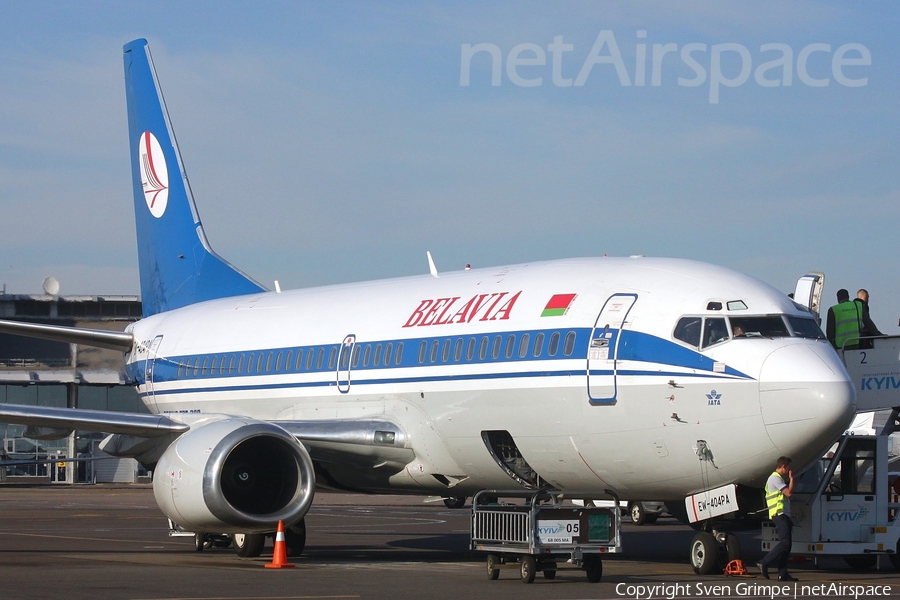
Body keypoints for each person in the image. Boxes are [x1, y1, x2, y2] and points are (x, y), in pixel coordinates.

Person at [758, 456, 797, 581]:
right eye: (788, 468)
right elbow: (789, 493)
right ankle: (764, 562)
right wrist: (791, 479)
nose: (789, 470)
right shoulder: (775, 478)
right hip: (779, 514)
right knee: (785, 543)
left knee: (788, 544)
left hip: (783, 514)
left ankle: (782, 573)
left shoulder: (777, 478)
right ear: (784, 467)